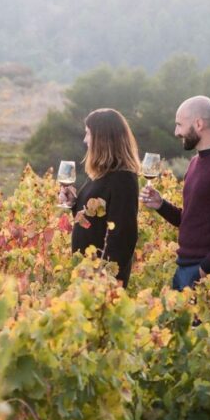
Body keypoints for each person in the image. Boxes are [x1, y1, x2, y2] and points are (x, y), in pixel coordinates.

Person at [140, 96, 210, 290]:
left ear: (198, 124)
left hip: (208, 273)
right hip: (184, 267)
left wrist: (205, 268)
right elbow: (190, 219)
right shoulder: (195, 162)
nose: (176, 132)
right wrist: (161, 205)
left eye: (179, 125)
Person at [59, 108, 140, 287]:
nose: (85, 140)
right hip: (88, 274)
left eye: (88, 134)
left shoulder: (123, 180)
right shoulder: (103, 176)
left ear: (103, 139)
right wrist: (74, 203)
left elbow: (123, 236)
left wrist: (103, 280)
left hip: (102, 282)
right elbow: (94, 220)